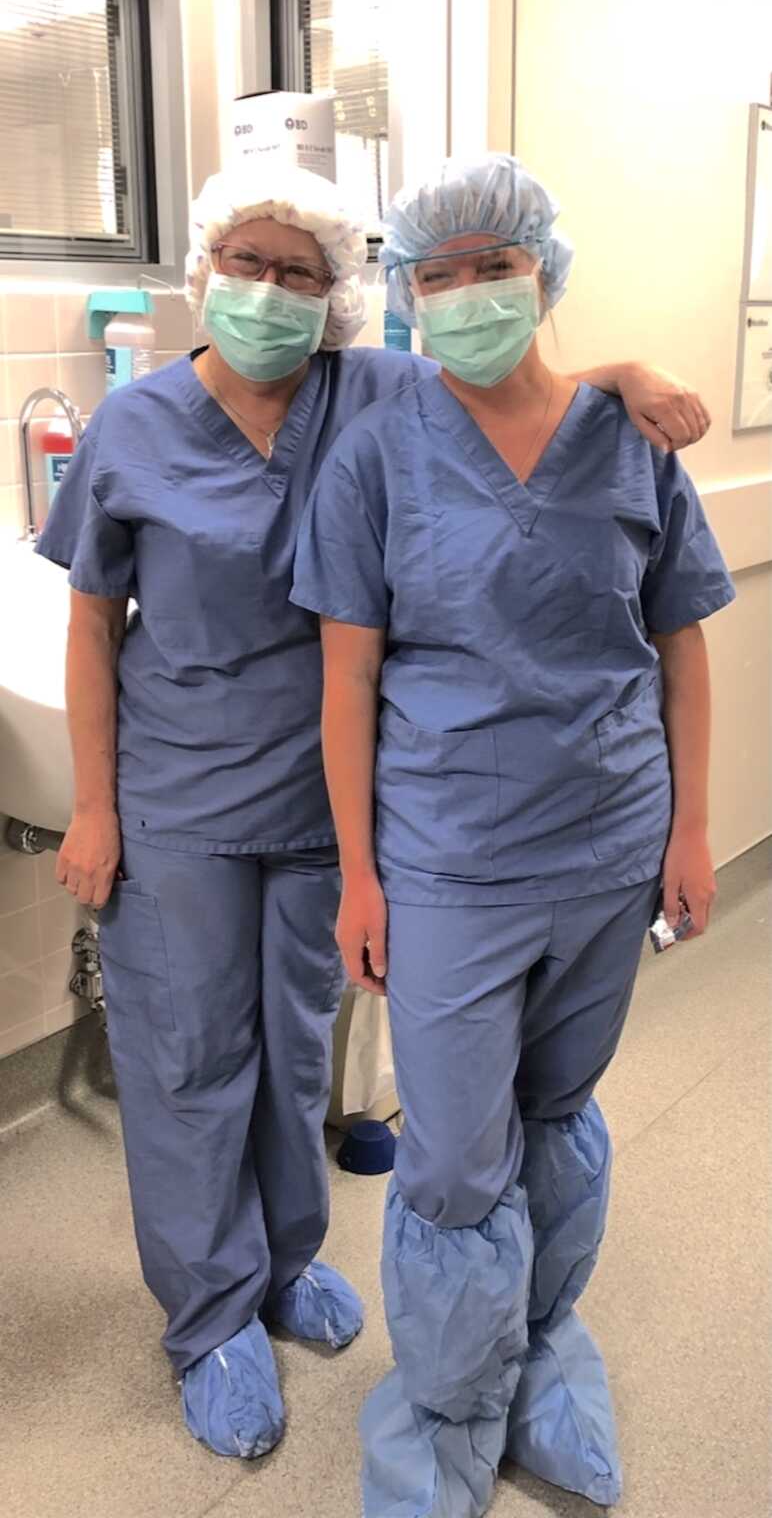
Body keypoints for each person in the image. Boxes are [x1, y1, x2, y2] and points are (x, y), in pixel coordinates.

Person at [37, 157, 711, 1465]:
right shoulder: (132, 427)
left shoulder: (370, 390)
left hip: (329, 804)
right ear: (203, 275)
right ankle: (211, 1313)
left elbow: (521, 383)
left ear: (344, 295)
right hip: (177, 795)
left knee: (296, 1054)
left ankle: (287, 1263)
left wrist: (630, 377)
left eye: (301, 273)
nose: (272, 295)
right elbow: (86, 629)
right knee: (188, 1059)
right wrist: (93, 808)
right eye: (250, 266)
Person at [290, 153, 735, 1517]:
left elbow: (680, 650)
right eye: (440, 272)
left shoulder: (631, 441)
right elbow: (347, 680)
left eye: (495, 261)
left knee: (555, 1117)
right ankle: (444, 1415)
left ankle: (540, 1353)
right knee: (453, 1157)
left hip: (610, 842)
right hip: (448, 864)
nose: (470, 289)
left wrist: (690, 830)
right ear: (412, 297)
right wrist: (361, 876)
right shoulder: (382, 448)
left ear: (544, 268)